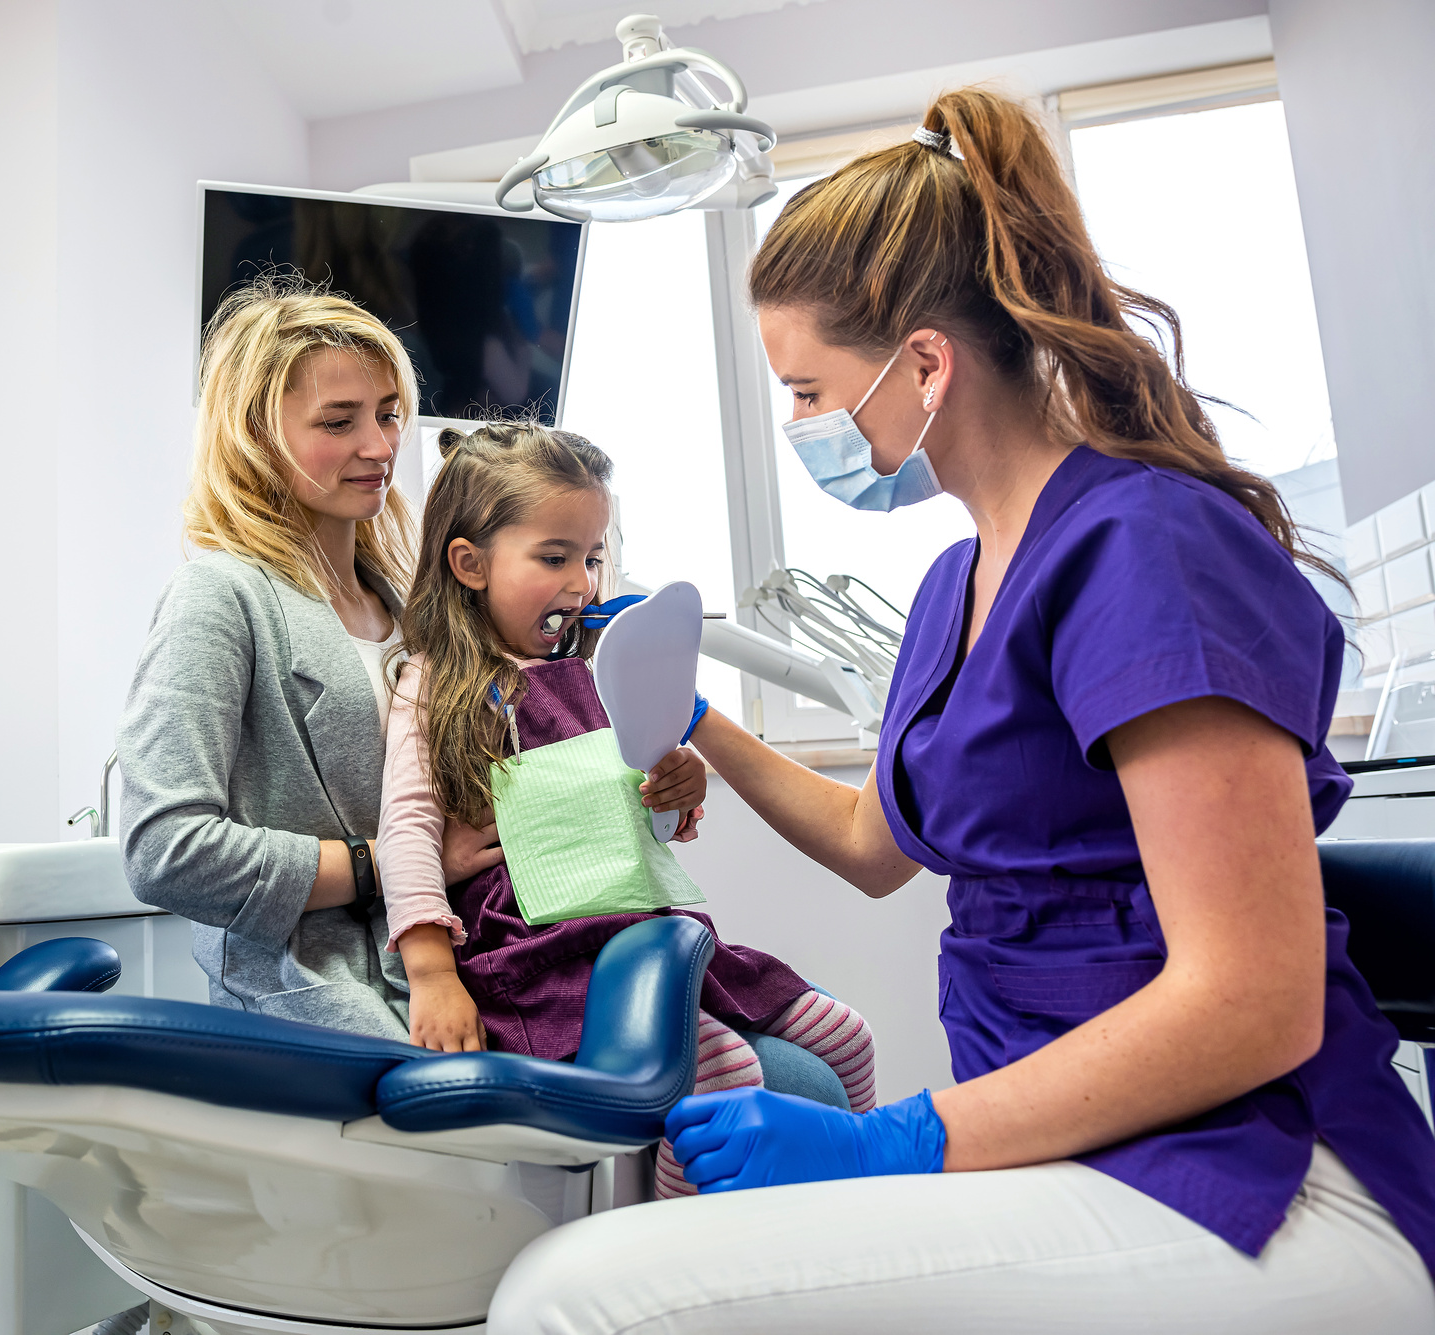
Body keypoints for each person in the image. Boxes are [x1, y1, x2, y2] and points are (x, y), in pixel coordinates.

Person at [490, 88, 1435, 1330]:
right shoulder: (955, 581)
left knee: (576, 1297)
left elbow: (1250, 1000)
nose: (798, 427)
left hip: (1258, 1175)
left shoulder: (1144, 548)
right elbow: (874, 849)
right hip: (1079, 1145)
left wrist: (893, 1139)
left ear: (923, 363)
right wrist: (688, 714)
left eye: (809, 391)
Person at [377, 421, 878, 1197]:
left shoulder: (600, 671)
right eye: (554, 557)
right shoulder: (434, 683)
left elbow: (647, 824)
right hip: (545, 961)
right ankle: (671, 1257)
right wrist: (432, 971)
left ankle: (871, 1211)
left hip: (647, 935)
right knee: (728, 1071)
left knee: (847, 1037)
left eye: (592, 555)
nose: (581, 582)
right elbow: (406, 832)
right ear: (470, 564)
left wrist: (677, 794)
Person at [116, 277, 498, 1037]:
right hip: (321, 987)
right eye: (339, 420)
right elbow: (164, 850)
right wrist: (383, 865)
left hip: (467, 959)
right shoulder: (220, 597)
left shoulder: (406, 604)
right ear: (255, 434)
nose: (381, 445)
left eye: (389, 415)